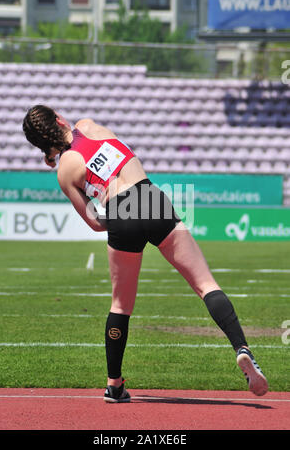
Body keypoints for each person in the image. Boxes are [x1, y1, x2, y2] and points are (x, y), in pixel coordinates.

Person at [22, 105, 268, 402]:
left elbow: (93, 222)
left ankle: (114, 385)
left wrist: (56, 158)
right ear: (59, 119)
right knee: (205, 285)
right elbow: (84, 140)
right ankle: (242, 348)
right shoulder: (88, 124)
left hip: (119, 212)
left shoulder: (64, 171)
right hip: (150, 197)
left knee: (121, 305)